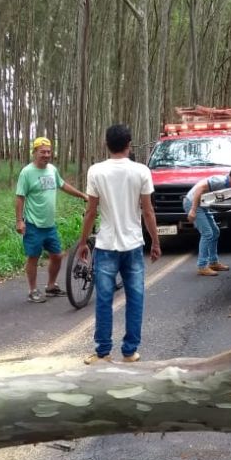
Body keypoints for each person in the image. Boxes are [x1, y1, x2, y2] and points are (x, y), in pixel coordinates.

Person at [78, 124, 161, 364]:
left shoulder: (96, 171)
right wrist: (155, 241)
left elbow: (91, 212)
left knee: (104, 299)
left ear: (106, 144)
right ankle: (130, 351)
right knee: (135, 297)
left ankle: (103, 352)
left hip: (105, 245)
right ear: (129, 144)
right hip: (133, 245)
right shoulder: (141, 171)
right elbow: (148, 211)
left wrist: (83, 242)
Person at [15, 136, 87, 302]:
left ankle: (51, 286)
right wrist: (19, 221)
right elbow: (19, 197)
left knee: (57, 255)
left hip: (49, 225)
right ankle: (33, 291)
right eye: (42, 152)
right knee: (33, 257)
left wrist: (81, 194)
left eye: (48, 152)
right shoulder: (27, 172)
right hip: (33, 224)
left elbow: (62, 185)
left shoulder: (52, 170)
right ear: (35, 152)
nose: (46, 155)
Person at [183, 165, 231, 276]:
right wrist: (193, 210)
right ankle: (202, 266)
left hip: (203, 204)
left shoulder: (227, 183)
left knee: (215, 232)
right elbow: (199, 189)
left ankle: (213, 262)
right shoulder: (220, 181)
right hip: (193, 202)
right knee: (207, 233)